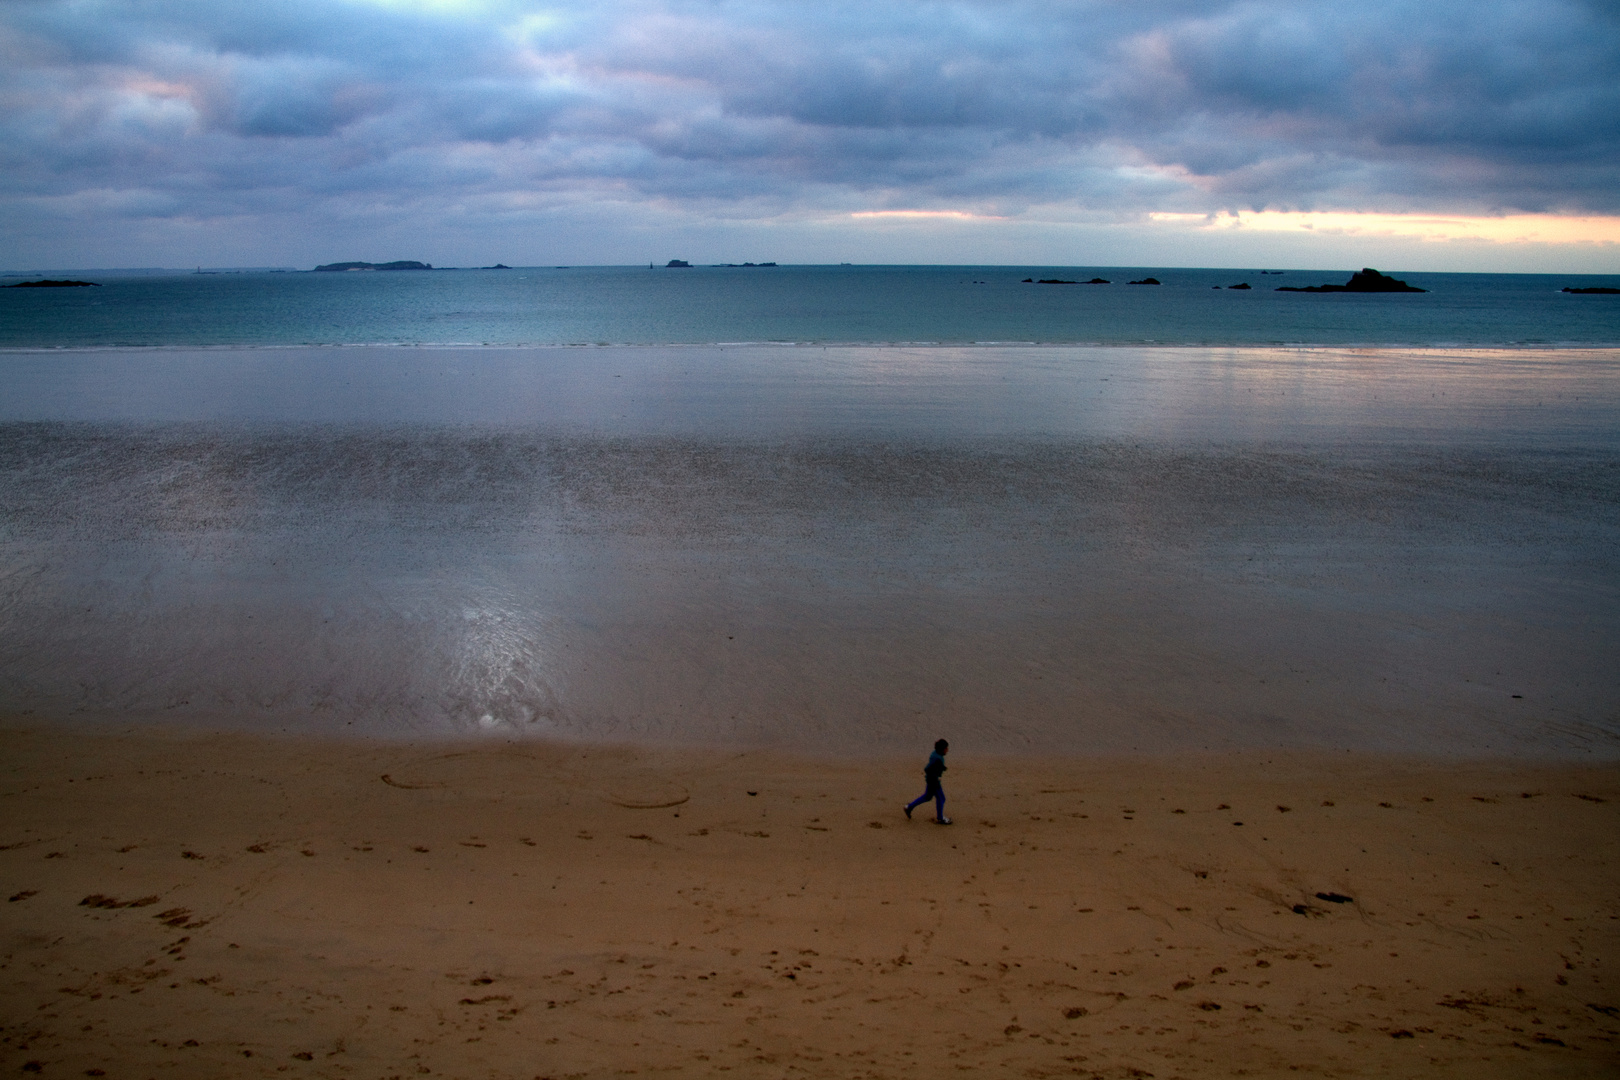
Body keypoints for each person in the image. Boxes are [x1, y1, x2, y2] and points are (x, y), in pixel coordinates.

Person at [904, 739, 951, 824]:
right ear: (942, 749)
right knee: (940, 798)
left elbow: (931, 768)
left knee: (928, 797)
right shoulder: (937, 759)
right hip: (933, 781)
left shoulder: (935, 754)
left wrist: (942, 768)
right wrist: (936, 779)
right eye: (946, 748)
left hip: (932, 780)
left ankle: (909, 807)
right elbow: (929, 769)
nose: (947, 750)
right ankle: (940, 818)